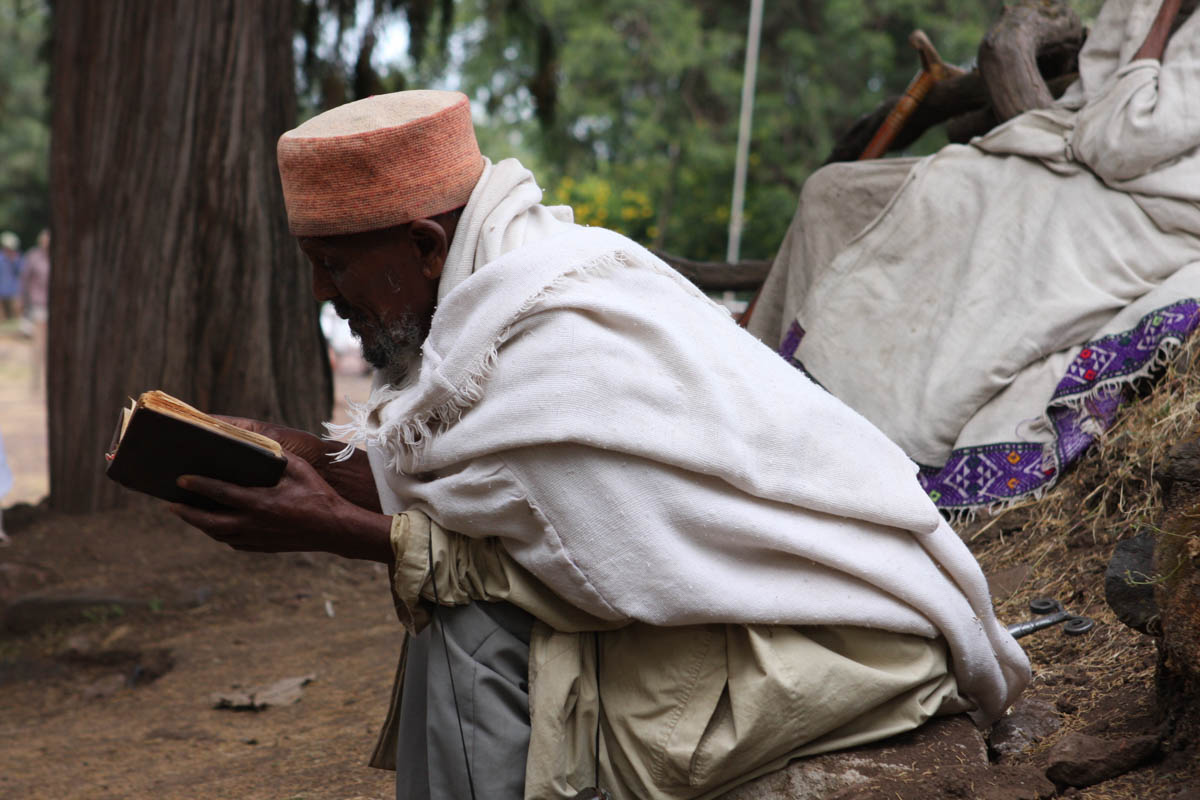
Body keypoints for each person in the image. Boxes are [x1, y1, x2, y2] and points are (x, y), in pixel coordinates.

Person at [168, 90, 1029, 799]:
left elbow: (577, 575)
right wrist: (295, 455)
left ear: (427, 247)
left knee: (466, 625)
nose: (322, 292)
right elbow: (471, 494)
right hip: (758, 609)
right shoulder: (513, 281)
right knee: (449, 591)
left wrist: (334, 529)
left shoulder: (556, 344)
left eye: (334, 265)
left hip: (827, 649)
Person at [746, 0, 1200, 516]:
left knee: (986, 257)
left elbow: (1122, 139)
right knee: (831, 194)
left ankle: (871, 446)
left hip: (1151, 214)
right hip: (1070, 166)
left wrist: (1164, 16)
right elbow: (1090, 105)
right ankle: (761, 402)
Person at [20, 230, 50, 393]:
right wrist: (23, 302)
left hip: (53, 306)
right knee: (39, 344)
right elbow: (25, 280)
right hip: (39, 304)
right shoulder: (33, 257)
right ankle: (36, 380)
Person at [0, 231, 21, 322]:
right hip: (1, 290)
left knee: (15, 314)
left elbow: (22, 272)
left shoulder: (17, 258)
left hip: (14, 290)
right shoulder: (0, 258)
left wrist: (14, 260)